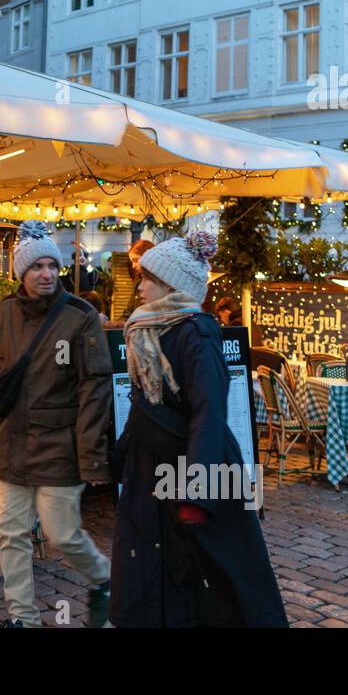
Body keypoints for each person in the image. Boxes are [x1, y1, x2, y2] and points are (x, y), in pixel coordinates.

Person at [110, 232, 288, 628]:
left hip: (194, 474)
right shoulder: (147, 332)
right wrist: (114, 461)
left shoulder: (197, 334)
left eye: (148, 280)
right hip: (153, 472)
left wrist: (197, 489)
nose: (140, 287)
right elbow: (144, 407)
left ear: (171, 285)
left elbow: (209, 414)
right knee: (150, 575)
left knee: (212, 585)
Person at [0, 220, 113, 628]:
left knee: (61, 534)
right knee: (11, 535)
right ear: (21, 273)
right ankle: (23, 618)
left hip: (59, 447)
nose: (46, 274)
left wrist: (90, 454)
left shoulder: (80, 316)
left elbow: (95, 387)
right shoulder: (5, 313)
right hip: (11, 445)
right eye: (37, 267)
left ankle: (102, 579)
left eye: (52, 266)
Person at [119, 239, 155, 322]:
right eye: (131, 262)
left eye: (135, 260)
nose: (133, 266)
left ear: (148, 257)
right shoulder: (138, 280)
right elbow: (129, 310)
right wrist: (119, 324)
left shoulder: (159, 281)